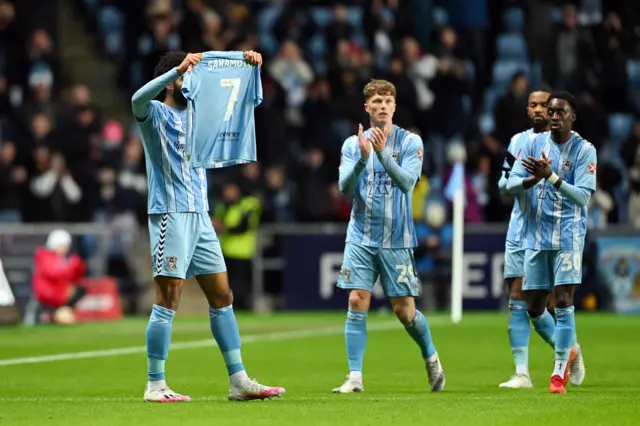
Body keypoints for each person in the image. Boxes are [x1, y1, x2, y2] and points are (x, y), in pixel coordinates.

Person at [131, 50, 285, 403]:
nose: (191, 83)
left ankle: (239, 379)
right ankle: (155, 384)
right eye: (186, 77)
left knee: (222, 296)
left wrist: (247, 66)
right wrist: (177, 70)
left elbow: (235, 99)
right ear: (171, 81)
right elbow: (136, 97)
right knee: (169, 298)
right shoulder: (154, 114)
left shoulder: (200, 117)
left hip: (201, 217)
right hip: (170, 214)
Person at [332, 79, 445, 394]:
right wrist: (363, 160)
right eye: (376, 101)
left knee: (404, 311)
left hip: (396, 238)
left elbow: (408, 182)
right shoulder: (352, 144)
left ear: (394, 107)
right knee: (357, 298)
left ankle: (431, 355)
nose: (382, 106)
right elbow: (344, 187)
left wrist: (381, 156)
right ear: (366, 107)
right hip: (360, 236)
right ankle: (354, 378)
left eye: (387, 101)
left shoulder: (411, 142)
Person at [507, 91, 592, 394]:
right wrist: (533, 179)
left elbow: (583, 196)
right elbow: (509, 184)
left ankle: (558, 374)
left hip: (569, 236)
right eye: (551, 111)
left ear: (573, 116)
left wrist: (552, 177)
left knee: (565, 300)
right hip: (536, 236)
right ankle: (569, 349)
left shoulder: (584, 150)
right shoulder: (531, 144)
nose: (554, 116)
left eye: (560, 112)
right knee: (532, 306)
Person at [32, 229, 87, 325]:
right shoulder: (44, 256)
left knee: (81, 289)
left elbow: (77, 275)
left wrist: (76, 265)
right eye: (61, 245)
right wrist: (72, 266)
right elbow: (53, 274)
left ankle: (62, 312)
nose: (64, 248)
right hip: (49, 294)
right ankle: (55, 315)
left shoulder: (66, 259)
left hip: (61, 293)